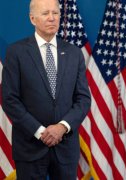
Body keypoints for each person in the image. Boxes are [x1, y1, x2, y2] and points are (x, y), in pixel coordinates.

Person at [1, 0, 91, 179]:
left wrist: (62, 127)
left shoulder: (74, 53)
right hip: (30, 148)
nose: (52, 18)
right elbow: (10, 99)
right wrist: (40, 132)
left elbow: (83, 99)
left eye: (55, 13)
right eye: (45, 14)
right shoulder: (16, 52)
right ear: (32, 18)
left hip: (65, 148)